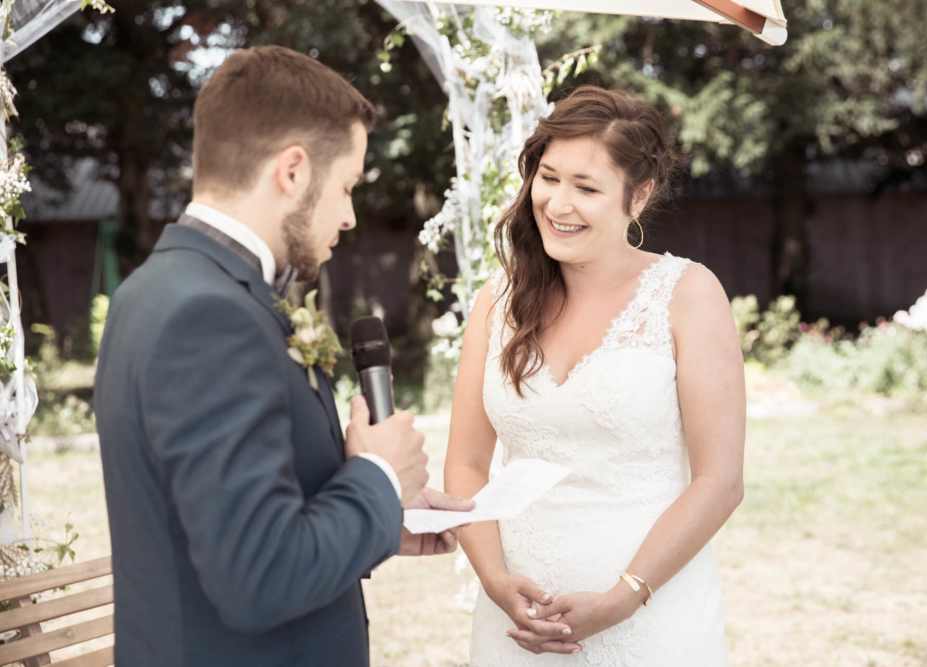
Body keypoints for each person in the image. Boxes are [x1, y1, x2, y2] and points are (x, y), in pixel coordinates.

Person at [94, 45, 471, 667]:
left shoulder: (155, 289)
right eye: (347, 187)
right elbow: (259, 577)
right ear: (292, 171)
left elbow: (225, 522)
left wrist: (382, 512)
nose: (349, 216)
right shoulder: (209, 317)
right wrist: (377, 477)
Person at [443, 86, 746, 665]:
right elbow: (464, 464)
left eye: (586, 188)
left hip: (651, 618)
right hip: (517, 626)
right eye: (548, 177)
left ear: (639, 196)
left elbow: (720, 481)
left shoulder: (688, 294)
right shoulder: (497, 300)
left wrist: (623, 598)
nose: (558, 204)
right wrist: (493, 580)